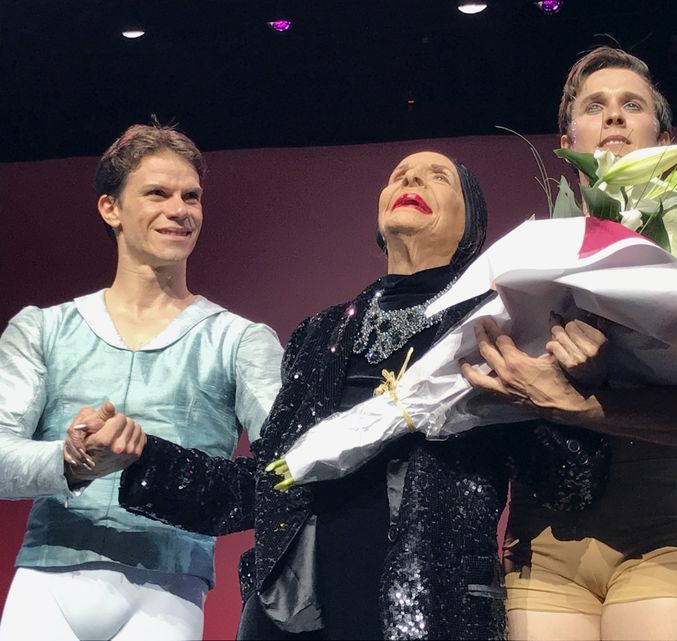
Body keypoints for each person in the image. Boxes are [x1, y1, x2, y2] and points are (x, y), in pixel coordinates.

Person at [112, 150, 605, 640]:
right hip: (296, 617)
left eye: (440, 178)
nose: (412, 178)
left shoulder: (499, 326)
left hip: (433, 612)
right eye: (400, 175)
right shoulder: (320, 334)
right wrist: (140, 458)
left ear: (472, 223)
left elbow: (571, 483)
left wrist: (568, 391)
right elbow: (270, 483)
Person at [461, 46, 677, 641]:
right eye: (595, 106)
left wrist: (582, 402)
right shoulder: (527, 258)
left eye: (633, 105)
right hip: (544, 536)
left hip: (667, 524)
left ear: (664, 133)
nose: (615, 117)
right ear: (568, 134)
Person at [0, 123, 283, 641]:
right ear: (111, 208)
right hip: (46, 581)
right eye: (158, 192)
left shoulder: (241, 341)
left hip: (167, 587)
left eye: (191, 196)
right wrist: (71, 460)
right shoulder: (41, 328)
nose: (180, 209)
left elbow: (284, 471)